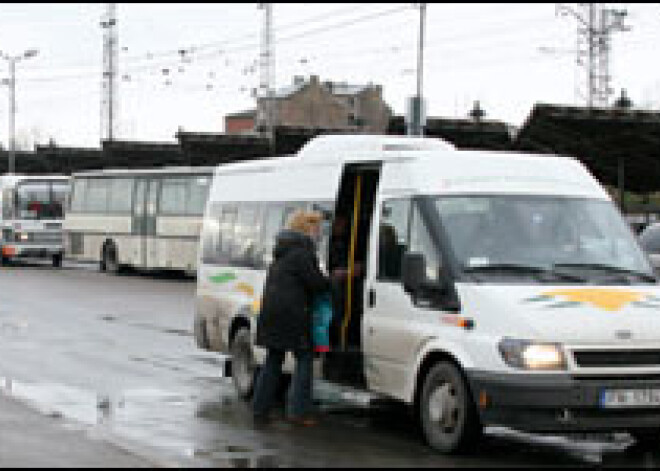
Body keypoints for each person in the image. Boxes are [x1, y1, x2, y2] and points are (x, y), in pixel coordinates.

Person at [253, 209, 331, 427]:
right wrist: (333, 280)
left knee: (273, 360)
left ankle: (260, 409)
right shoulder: (302, 253)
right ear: (306, 228)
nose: (319, 232)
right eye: (316, 227)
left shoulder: (283, 251)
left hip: (272, 314)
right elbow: (316, 284)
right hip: (293, 316)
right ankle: (298, 411)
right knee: (305, 359)